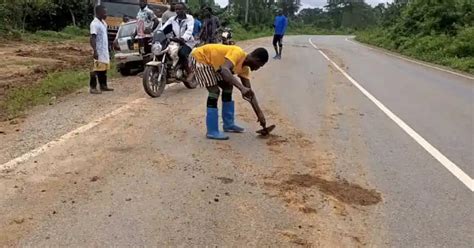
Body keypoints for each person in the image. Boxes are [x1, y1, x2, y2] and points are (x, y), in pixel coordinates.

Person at [190, 44, 269, 140]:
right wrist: (241, 88)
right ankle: (212, 131)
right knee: (214, 92)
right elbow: (224, 70)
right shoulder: (238, 53)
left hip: (214, 64)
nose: (257, 69)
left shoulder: (244, 69)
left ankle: (228, 124)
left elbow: (249, 93)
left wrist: (259, 114)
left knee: (228, 87)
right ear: (256, 59)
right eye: (259, 66)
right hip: (201, 57)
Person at [160, 2, 195, 82]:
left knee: (182, 53)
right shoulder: (172, 19)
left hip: (188, 41)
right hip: (176, 40)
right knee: (164, 51)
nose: (178, 11)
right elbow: (163, 28)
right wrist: (156, 35)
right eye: (176, 9)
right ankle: (171, 69)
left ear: (184, 10)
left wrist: (183, 38)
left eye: (180, 9)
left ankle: (190, 72)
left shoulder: (189, 18)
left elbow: (189, 30)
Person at [89, 5, 113, 94]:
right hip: (98, 50)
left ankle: (103, 85)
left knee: (104, 69)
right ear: (98, 12)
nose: (106, 14)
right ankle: (93, 87)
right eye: (104, 12)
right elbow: (92, 38)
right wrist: (95, 50)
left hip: (104, 50)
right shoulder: (94, 24)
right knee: (96, 69)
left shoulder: (103, 23)